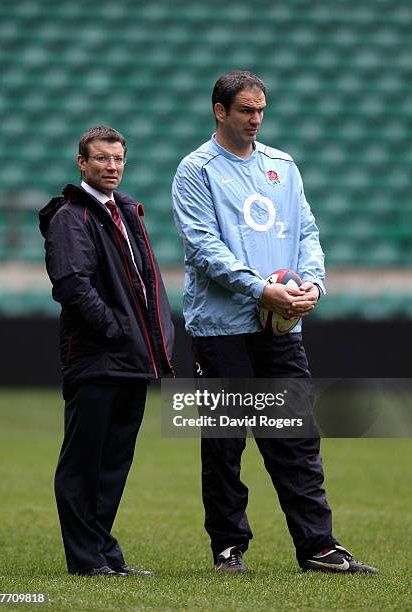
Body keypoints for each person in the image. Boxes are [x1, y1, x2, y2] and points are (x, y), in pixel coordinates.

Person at [172, 71, 378, 574]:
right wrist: (261, 288)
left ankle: (318, 547)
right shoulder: (195, 171)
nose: (255, 119)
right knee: (225, 443)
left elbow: (306, 231)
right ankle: (228, 548)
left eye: (261, 110)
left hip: (282, 324)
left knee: (296, 438)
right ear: (220, 111)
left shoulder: (283, 166)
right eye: (245, 110)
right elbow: (203, 249)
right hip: (222, 327)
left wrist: (311, 284)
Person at [39, 125, 174, 576]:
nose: (111, 167)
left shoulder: (126, 211)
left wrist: (146, 340)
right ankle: (85, 560)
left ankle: (104, 556)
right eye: (101, 159)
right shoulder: (70, 217)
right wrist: (116, 330)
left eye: (117, 159)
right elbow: (72, 286)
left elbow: (142, 284)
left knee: (113, 464)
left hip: (129, 361)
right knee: (83, 464)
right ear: (82, 163)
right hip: (97, 359)